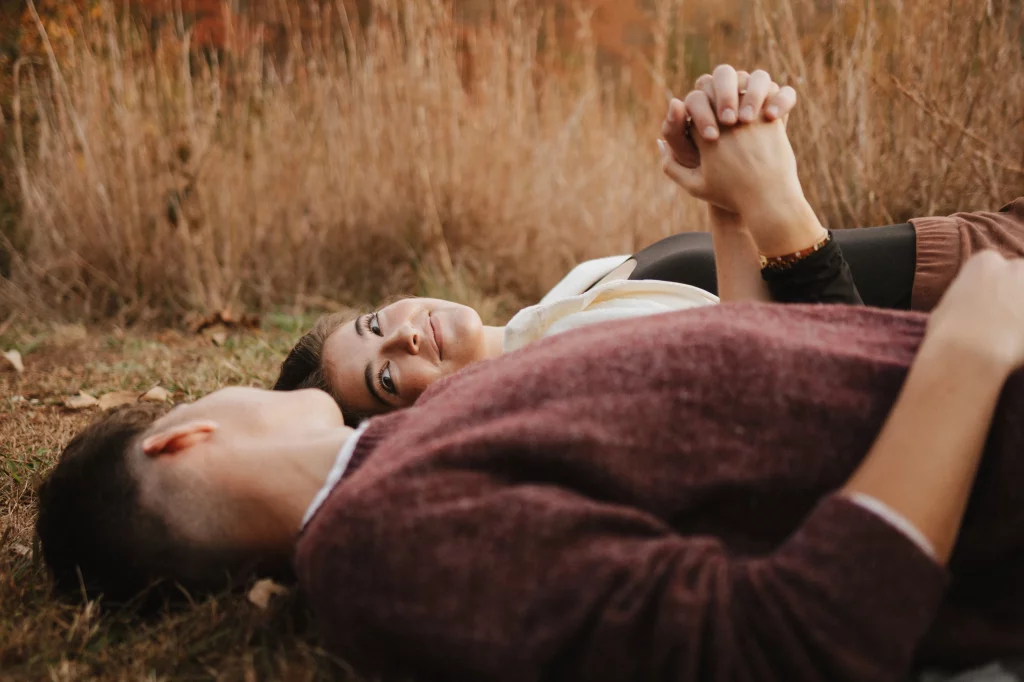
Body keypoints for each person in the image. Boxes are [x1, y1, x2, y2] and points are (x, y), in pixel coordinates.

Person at [35, 104, 1024, 680]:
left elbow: (758, 393)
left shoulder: (417, 446)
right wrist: (964, 359)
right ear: (183, 437)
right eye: (382, 370)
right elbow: (791, 640)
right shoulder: (383, 548)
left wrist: (737, 206)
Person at [273, 65, 1024, 425]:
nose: (404, 335)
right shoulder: (562, 388)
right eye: (385, 376)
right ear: (406, 424)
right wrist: (773, 200)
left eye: (377, 324)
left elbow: (743, 321)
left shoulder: (564, 299)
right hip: (982, 320)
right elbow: (795, 375)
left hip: (979, 239)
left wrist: (726, 167)